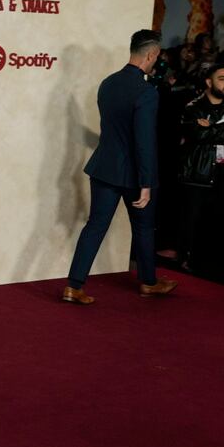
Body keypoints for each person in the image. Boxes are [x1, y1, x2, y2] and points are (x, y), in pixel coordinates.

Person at [64, 30, 178, 304]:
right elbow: (144, 142)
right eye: (157, 55)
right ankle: (148, 283)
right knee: (143, 227)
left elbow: (112, 130)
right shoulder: (147, 92)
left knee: (94, 226)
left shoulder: (108, 83)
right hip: (134, 174)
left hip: (104, 168)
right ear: (151, 54)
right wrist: (147, 183)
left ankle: (73, 286)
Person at [177, 65, 224, 272]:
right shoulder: (193, 107)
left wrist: (212, 128)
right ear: (208, 82)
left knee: (222, 216)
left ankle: (215, 259)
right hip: (199, 170)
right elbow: (198, 135)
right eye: (222, 78)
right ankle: (186, 256)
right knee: (192, 217)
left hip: (223, 172)